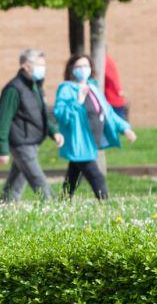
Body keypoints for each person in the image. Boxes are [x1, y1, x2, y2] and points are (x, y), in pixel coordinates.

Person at [54, 54, 137, 200]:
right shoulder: (66, 89)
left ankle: (62, 202)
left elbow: (108, 112)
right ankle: (105, 207)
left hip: (91, 142)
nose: (82, 70)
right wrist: (77, 101)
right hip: (79, 142)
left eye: (85, 66)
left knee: (73, 177)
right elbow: (61, 115)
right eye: (78, 66)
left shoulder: (93, 88)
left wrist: (125, 128)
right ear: (71, 69)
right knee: (97, 177)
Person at [0, 48, 64, 202]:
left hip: (32, 141)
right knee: (37, 178)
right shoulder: (13, 89)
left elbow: (42, 114)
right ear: (26, 66)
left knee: (16, 181)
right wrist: (3, 149)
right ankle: (53, 206)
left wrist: (54, 132)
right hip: (21, 143)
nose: (43, 69)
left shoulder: (35, 86)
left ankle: (6, 206)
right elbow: (4, 121)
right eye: (39, 65)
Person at [104, 52, 128, 120]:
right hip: (114, 99)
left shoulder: (105, 61)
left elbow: (112, 79)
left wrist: (118, 91)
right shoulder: (108, 60)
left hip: (112, 99)